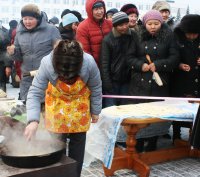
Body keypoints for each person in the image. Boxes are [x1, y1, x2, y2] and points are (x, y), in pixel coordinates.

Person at [24, 40, 102, 177]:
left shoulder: (89, 62)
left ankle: (74, 174)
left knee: (77, 147)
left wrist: (96, 110)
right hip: (57, 106)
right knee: (56, 146)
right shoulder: (47, 63)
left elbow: (96, 87)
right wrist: (33, 120)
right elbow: (35, 91)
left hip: (79, 106)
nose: (66, 78)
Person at [128, 10, 179, 152]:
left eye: (156, 24)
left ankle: (152, 143)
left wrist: (160, 64)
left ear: (161, 24)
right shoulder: (137, 36)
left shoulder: (169, 36)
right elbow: (129, 57)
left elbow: (174, 58)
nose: (153, 26)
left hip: (159, 83)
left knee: (155, 114)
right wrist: (140, 65)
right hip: (139, 83)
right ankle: (137, 144)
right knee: (139, 115)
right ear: (145, 24)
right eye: (150, 24)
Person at [7, 3, 61, 101]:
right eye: (25, 19)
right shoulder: (20, 33)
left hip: (46, 77)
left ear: (38, 18)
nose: (27, 22)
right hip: (27, 77)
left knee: (46, 108)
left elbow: (60, 55)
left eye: (31, 19)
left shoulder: (51, 30)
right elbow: (19, 58)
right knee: (28, 107)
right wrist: (13, 52)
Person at [100, 12, 140, 107]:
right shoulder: (108, 40)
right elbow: (104, 63)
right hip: (113, 81)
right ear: (115, 26)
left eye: (126, 24)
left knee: (125, 109)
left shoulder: (133, 35)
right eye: (120, 25)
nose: (124, 27)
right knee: (110, 109)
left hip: (128, 80)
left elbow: (138, 53)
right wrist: (107, 83)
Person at [171, 14, 200, 141]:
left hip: (197, 81)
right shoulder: (176, 39)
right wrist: (180, 65)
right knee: (179, 109)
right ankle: (176, 136)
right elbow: (171, 56)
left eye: (195, 34)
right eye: (189, 33)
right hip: (181, 80)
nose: (192, 36)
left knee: (196, 111)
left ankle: (193, 137)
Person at [76, 0, 112, 65]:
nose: (99, 12)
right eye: (96, 9)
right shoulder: (83, 27)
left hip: (111, 64)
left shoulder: (110, 24)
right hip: (94, 65)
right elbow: (85, 52)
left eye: (101, 8)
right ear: (90, 11)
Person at [0, 20, 12, 92]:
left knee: (1, 85)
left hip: (1, 63)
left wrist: (8, 65)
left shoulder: (4, 33)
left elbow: (7, 50)